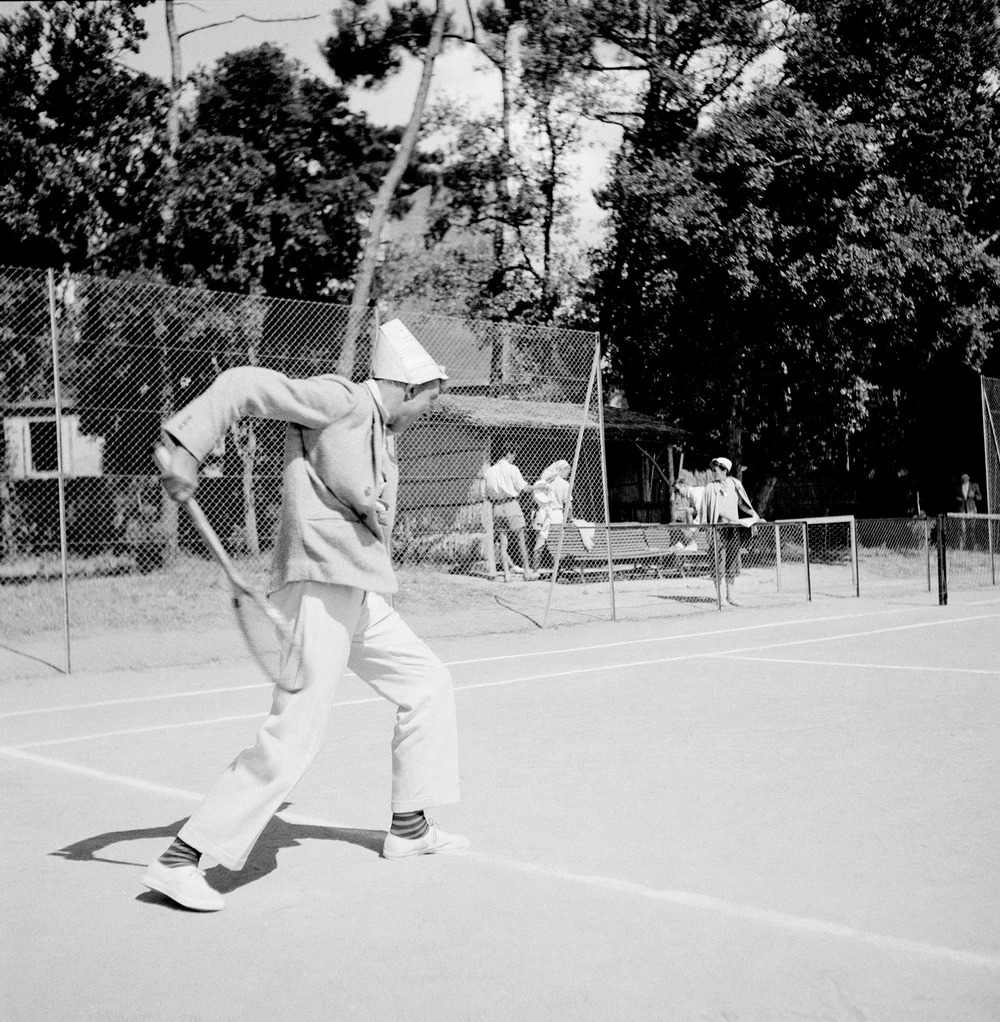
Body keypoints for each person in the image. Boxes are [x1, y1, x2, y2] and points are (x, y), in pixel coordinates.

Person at [141, 319, 467, 912]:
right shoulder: (341, 399)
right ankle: (182, 857)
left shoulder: (381, 428)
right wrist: (189, 446)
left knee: (427, 684)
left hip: (357, 592)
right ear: (407, 386)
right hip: (319, 587)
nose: (430, 410)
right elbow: (243, 384)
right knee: (296, 731)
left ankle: (410, 826)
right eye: (431, 399)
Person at [675, 456, 760, 606]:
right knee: (718, 562)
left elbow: (741, 504)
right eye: (712, 470)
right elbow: (710, 511)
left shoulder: (735, 484)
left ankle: (731, 596)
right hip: (718, 531)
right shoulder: (710, 487)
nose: (713, 473)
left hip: (733, 530)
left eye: (716, 470)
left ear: (725, 470)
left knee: (733, 562)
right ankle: (720, 597)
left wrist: (753, 514)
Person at [483, 447, 539, 581]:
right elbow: (524, 488)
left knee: (503, 541)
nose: (514, 458)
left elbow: (486, 494)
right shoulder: (512, 469)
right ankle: (527, 572)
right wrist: (538, 487)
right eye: (513, 455)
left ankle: (507, 574)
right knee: (521, 539)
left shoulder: (489, 471)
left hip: (497, 507)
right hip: (511, 504)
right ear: (509, 454)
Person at [530, 459, 571, 572]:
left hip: (544, 512)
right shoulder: (565, 484)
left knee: (540, 541)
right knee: (556, 542)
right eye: (568, 471)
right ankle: (556, 568)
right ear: (563, 470)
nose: (568, 474)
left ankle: (535, 569)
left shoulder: (546, 482)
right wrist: (569, 518)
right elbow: (568, 505)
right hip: (557, 513)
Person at [955, 472, 983, 549]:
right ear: (961, 480)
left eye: (965, 478)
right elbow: (955, 497)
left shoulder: (974, 485)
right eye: (963, 478)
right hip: (962, 510)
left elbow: (980, 497)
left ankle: (973, 547)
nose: (964, 479)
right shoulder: (958, 487)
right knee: (962, 529)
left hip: (971, 509)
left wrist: (974, 496)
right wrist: (958, 499)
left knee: (972, 529)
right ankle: (961, 547)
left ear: (969, 478)